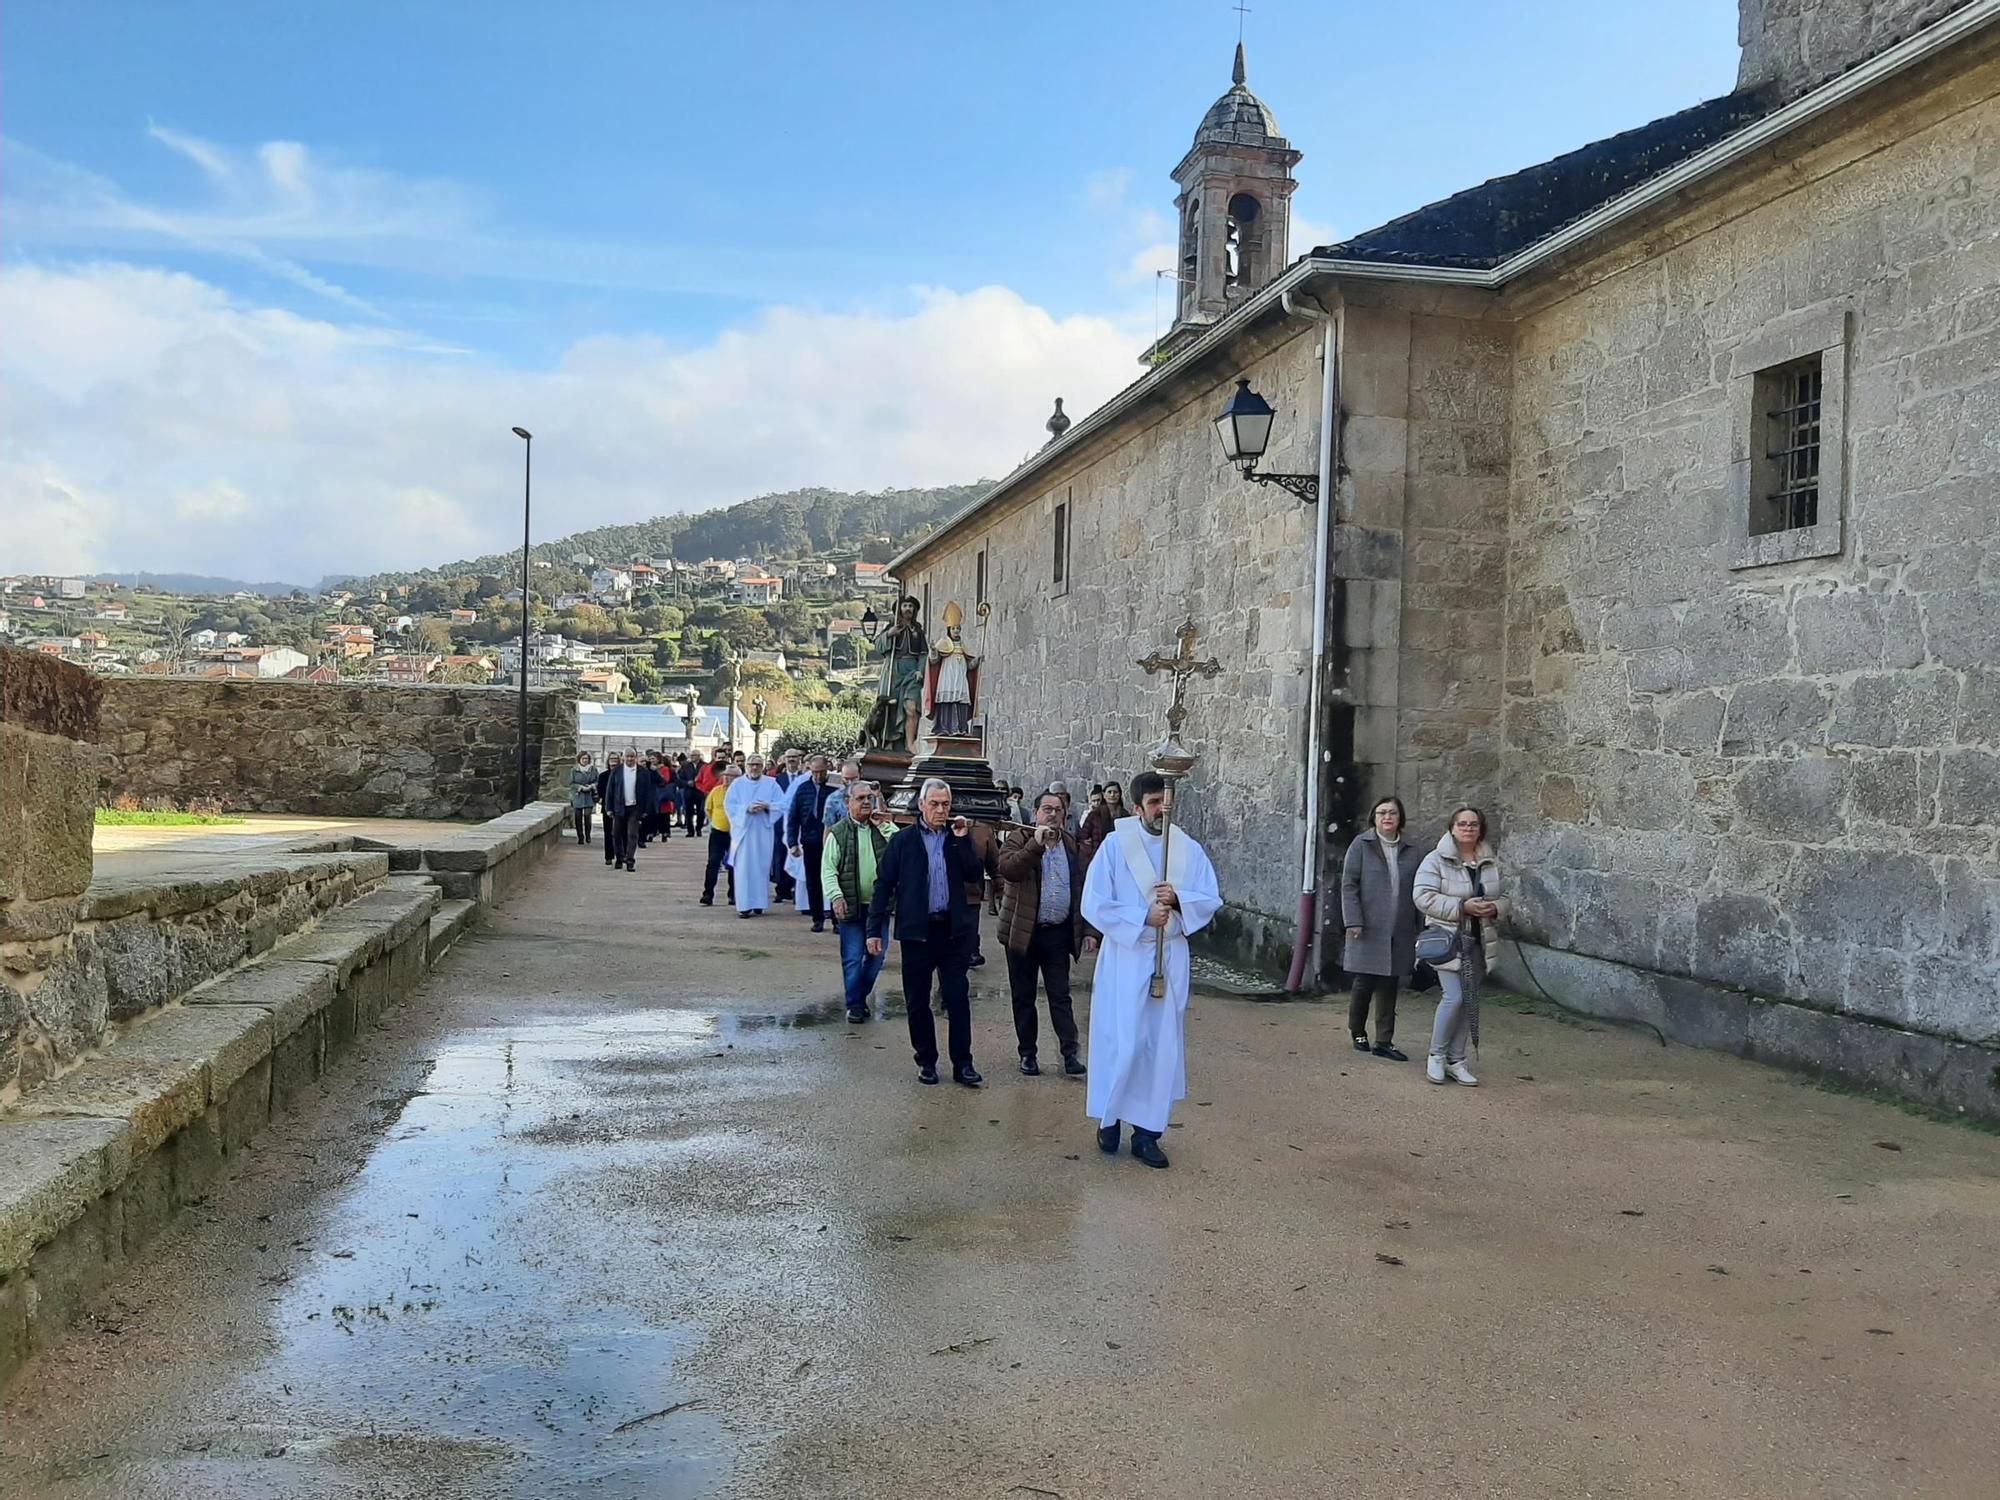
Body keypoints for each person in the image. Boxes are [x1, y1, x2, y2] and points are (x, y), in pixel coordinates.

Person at [1080, 770, 1221, 1169]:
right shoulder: (1115, 845)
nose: (1163, 809)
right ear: (1138, 806)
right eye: (1155, 802)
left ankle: (1148, 1133)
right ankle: (1109, 1121)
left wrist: (1179, 899)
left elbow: (1210, 897)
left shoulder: (1187, 848)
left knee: (1159, 1046)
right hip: (1126, 957)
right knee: (1122, 1039)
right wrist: (1143, 915)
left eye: (1167, 801)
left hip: (1170, 958)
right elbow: (1093, 901)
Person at [867, 777, 986, 1087]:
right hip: (917, 933)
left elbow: (974, 874)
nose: (940, 810)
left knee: (957, 999)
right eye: (934, 804)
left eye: (945, 804)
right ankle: (927, 1060)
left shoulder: (955, 837)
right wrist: (873, 929)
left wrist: (961, 839)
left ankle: (963, 1064)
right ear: (921, 805)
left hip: (952, 931)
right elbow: (884, 885)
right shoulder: (903, 841)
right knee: (917, 1001)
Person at [996, 790, 1091, 1077]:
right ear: (1036, 813)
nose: (1052, 814)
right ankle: (1028, 1054)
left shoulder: (1071, 845)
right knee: (1023, 996)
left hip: (1057, 933)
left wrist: (1088, 931)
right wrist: (1035, 846)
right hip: (1023, 932)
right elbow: (1008, 869)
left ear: (1065, 815)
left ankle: (1069, 1052)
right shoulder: (1018, 838)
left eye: (1058, 810)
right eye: (1046, 809)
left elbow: (1082, 890)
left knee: (1060, 996)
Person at [1414, 806, 1505, 1087]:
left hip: (1479, 940)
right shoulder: (1435, 860)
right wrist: (1461, 906)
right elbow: (1422, 897)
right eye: (1462, 824)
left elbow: (1505, 897)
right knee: (1453, 996)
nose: (1468, 828)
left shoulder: (1489, 862)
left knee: (1470, 1000)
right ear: (1452, 828)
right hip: (1449, 940)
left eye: (1473, 824)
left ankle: (1457, 1059)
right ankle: (1436, 1056)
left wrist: (1495, 908)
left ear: (1481, 829)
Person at [1341, 795, 1420, 1061]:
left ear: (1400, 819)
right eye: (1382, 813)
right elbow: (1349, 884)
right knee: (1364, 982)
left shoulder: (1412, 850)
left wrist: (1420, 927)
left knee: (1390, 983)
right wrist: (1353, 920)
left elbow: (1419, 891)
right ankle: (1357, 1031)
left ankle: (1384, 1041)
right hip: (1368, 925)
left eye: (1393, 813)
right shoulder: (1361, 845)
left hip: (1399, 927)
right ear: (1374, 818)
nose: (1387, 817)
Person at [824, 781, 892, 1022]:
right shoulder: (838, 833)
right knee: (853, 956)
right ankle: (854, 1005)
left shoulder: (881, 829)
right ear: (847, 803)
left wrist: (884, 826)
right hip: (851, 905)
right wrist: (836, 896)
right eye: (860, 798)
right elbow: (828, 870)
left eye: (869, 798)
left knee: (877, 956)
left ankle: (859, 996)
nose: (865, 802)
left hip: (878, 907)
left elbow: (899, 848)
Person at [723, 754, 782, 917]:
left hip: (763, 831)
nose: (754, 768)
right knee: (744, 868)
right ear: (746, 766)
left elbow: (781, 804)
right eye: (751, 764)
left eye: (757, 764)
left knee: (761, 867)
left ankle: (759, 903)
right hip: (744, 832)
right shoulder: (737, 784)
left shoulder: (772, 784)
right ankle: (744, 905)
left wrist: (767, 806)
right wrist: (746, 810)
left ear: (762, 766)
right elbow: (729, 806)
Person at [785, 753, 838, 931]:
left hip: (832, 842)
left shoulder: (834, 788)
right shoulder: (802, 789)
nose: (818, 776)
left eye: (821, 772)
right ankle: (817, 919)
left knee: (834, 880)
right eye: (814, 772)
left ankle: (837, 920)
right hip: (810, 840)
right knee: (813, 881)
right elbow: (793, 817)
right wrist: (792, 842)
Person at [601, 748, 660, 873]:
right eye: (627, 756)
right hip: (619, 807)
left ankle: (630, 860)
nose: (630, 759)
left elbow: (648, 792)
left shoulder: (643, 772)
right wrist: (609, 808)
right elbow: (610, 790)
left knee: (632, 834)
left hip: (635, 808)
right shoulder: (617, 771)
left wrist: (645, 809)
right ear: (623, 757)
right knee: (616, 834)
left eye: (632, 756)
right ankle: (619, 857)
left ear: (636, 757)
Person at [701, 764, 738, 907]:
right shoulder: (716, 791)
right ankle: (708, 894)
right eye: (725, 775)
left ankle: (733, 895)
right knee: (713, 862)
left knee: (733, 864)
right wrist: (716, 822)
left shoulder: (740, 792)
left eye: (731, 776)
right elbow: (708, 809)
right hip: (718, 832)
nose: (727, 778)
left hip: (735, 833)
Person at [771, 748, 804, 903]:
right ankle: (781, 889)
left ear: (799, 760)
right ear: (784, 760)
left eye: (794, 757)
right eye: (789, 757)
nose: (791, 760)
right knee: (780, 857)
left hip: (797, 825)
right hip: (780, 823)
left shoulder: (804, 778)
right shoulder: (778, 780)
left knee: (796, 856)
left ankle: (794, 888)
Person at [569, 752, 598, 845]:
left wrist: (592, 786)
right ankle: (580, 837)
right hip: (578, 796)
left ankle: (588, 835)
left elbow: (598, 780)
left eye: (586, 758)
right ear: (579, 759)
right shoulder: (574, 770)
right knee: (577, 817)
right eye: (583, 758)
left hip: (589, 795)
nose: (585, 760)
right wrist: (580, 787)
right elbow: (571, 783)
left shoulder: (593, 769)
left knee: (587, 815)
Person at [823, 758, 862, 828]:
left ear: (860, 775)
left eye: (854, 779)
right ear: (841, 776)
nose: (850, 783)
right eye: (846, 779)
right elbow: (828, 827)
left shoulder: (870, 796)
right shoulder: (833, 799)